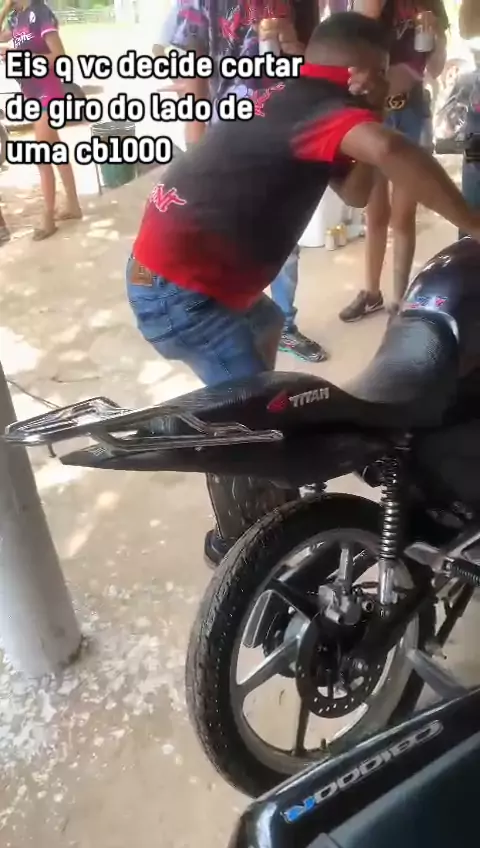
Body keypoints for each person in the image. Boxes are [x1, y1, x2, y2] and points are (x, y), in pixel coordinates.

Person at [127, 12, 480, 566]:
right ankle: (249, 547)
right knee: (257, 433)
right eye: (385, 70)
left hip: (171, 277)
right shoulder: (322, 107)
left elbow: (357, 193)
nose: (389, 82)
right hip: (182, 295)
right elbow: (394, 154)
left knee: (266, 327)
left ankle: (244, 460)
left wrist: (372, 107)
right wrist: (475, 224)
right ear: (367, 67)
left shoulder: (293, 96)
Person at [164, 0, 329, 363]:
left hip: (284, 135)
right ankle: (232, 322)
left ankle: (284, 326)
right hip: (226, 139)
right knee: (223, 239)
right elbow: (191, 68)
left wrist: (298, 51)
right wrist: (196, 149)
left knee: (284, 240)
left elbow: (316, 65)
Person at [339, 0, 449, 322]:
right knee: (375, 212)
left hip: (412, 112)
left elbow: (436, 69)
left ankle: (398, 302)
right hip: (375, 112)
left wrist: (436, 36)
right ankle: (371, 293)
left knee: (403, 215)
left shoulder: (431, 4)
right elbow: (349, 51)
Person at [0, 0, 81, 240]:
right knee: (54, 147)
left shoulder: (40, 12)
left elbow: (59, 55)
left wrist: (20, 56)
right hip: (31, 92)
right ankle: (73, 204)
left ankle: (48, 216)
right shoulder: (16, 17)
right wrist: (6, 8)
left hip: (49, 89)